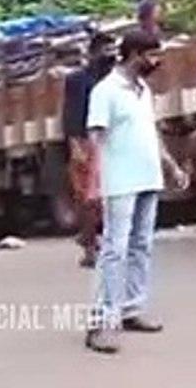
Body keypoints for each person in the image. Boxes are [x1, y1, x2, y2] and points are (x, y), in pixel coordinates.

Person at [84, 30, 190, 355]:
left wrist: (171, 167)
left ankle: (130, 308)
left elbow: (150, 132)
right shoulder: (106, 91)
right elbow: (95, 136)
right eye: (152, 55)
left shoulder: (143, 91)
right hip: (120, 181)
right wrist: (94, 179)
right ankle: (101, 322)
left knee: (141, 245)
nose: (157, 62)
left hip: (148, 177)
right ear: (133, 55)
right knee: (115, 249)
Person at [61, 32, 116, 269]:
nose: (110, 55)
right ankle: (90, 246)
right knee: (88, 199)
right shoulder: (77, 80)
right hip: (86, 141)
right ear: (93, 53)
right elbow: (71, 114)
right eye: (105, 50)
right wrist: (75, 145)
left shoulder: (116, 79)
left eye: (113, 50)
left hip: (111, 141)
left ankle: (105, 242)